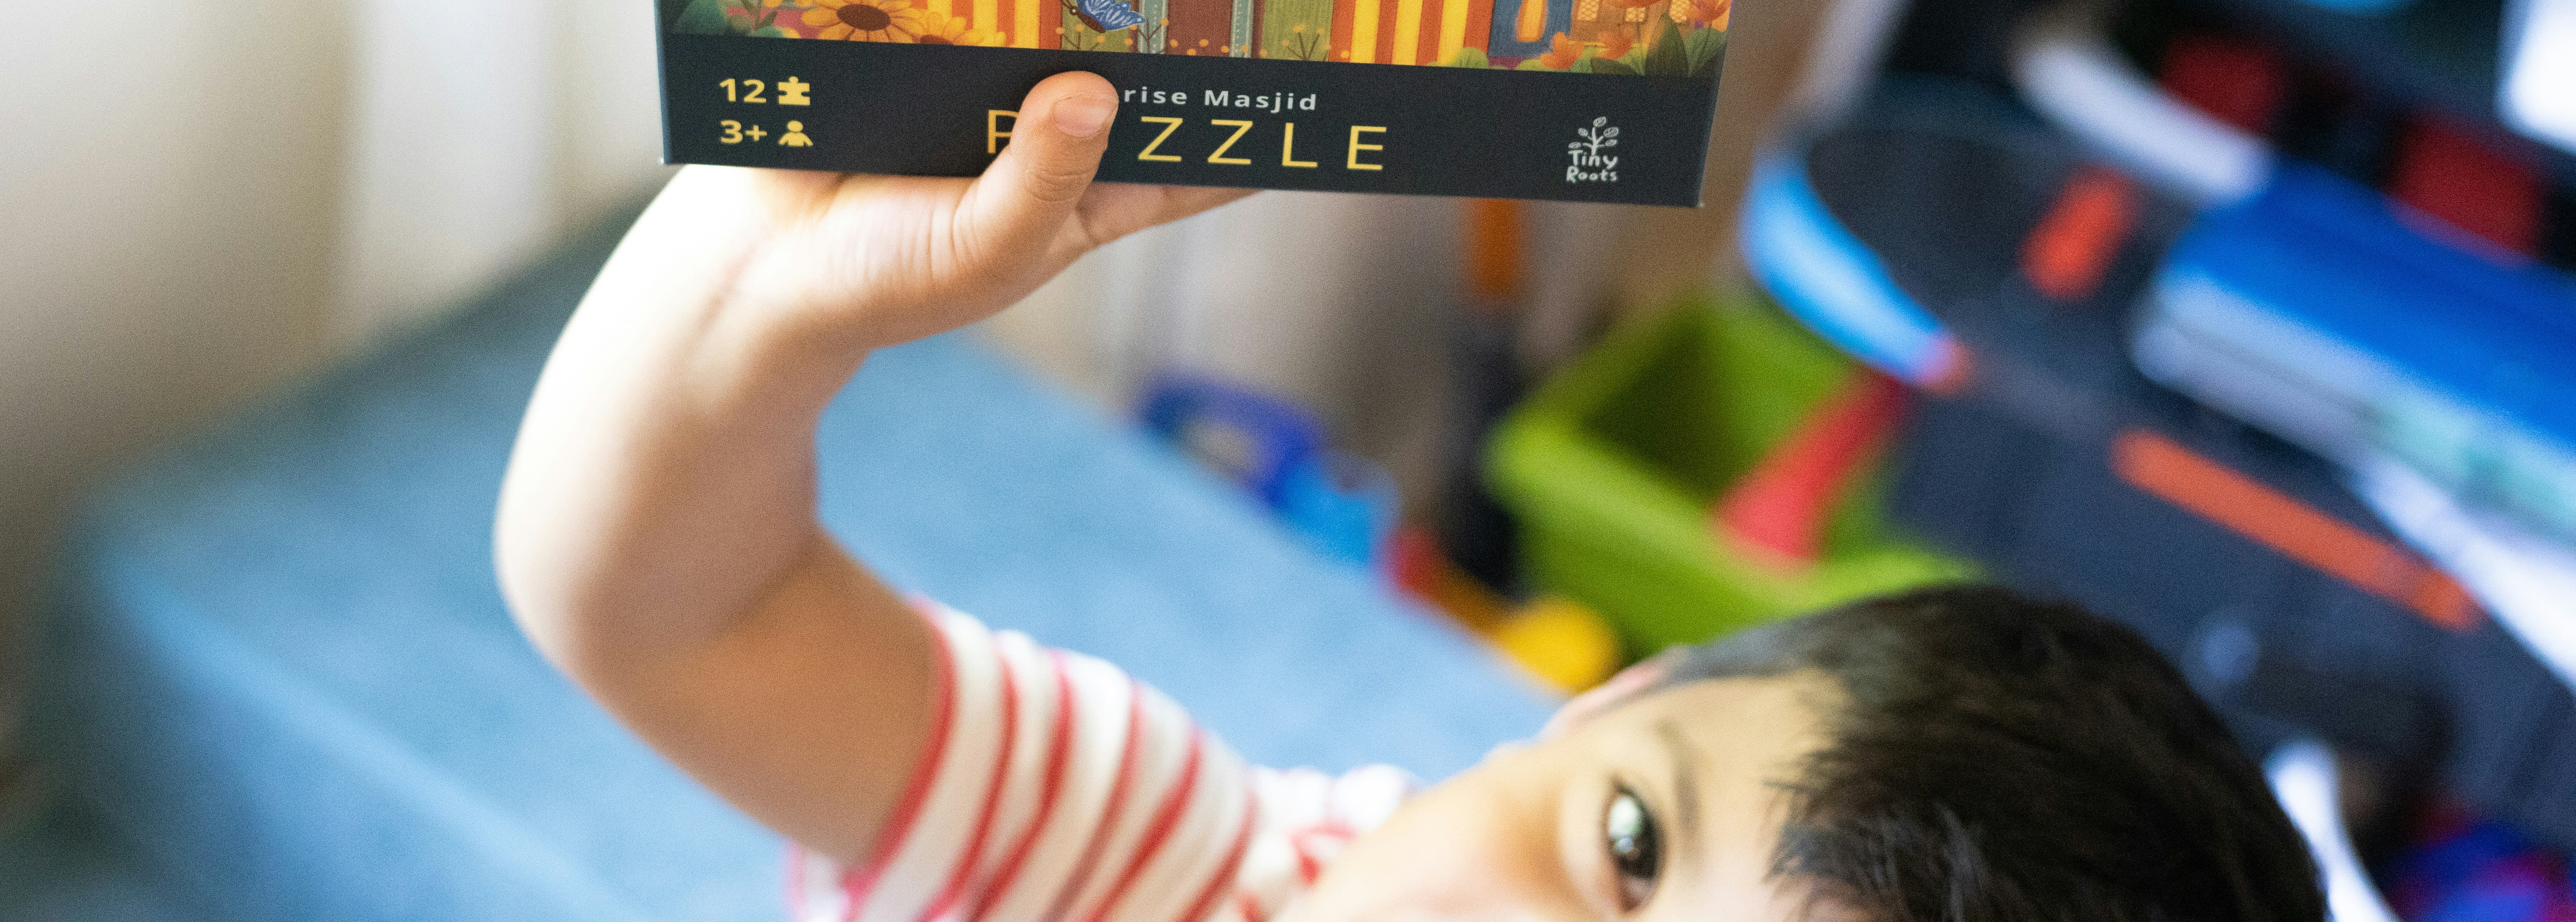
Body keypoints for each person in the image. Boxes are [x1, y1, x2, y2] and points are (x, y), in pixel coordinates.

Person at [496, 71, 2324, 922]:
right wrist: (772, 290)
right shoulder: (1159, 866)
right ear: (1601, 700)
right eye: (1621, 848)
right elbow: (668, 613)